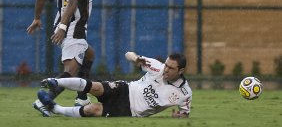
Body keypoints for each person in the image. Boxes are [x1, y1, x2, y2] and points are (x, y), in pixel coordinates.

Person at [26, 0, 95, 117]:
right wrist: (64, 28)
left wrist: (37, 18)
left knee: (89, 55)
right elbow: (73, 1)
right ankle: (44, 101)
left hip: (63, 26)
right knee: (70, 71)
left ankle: (82, 98)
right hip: (73, 28)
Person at [38, 51, 192, 118]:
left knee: (93, 109)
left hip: (130, 109)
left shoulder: (184, 93)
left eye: (171, 68)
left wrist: (180, 116)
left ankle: (55, 108)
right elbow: (128, 54)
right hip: (126, 88)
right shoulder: (157, 67)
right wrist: (135, 58)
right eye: (166, 65)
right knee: (95, 87)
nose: (166, 69)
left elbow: (184, 114)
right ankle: (54, 81)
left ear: (181, 70)